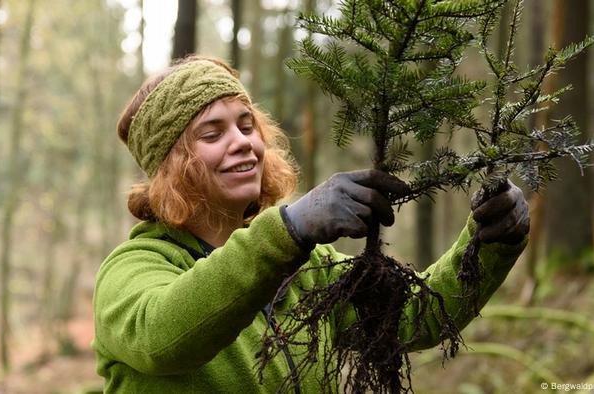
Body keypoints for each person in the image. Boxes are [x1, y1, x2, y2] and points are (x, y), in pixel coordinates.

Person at [92, 55, 529, 393]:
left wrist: (488, 241)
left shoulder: (306, 266)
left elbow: (416, 318)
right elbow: (163, 338)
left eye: (247, 126)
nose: (243, 142)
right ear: (173, 165)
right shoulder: (132, 268)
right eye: (212, 133)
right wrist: (288, 231)